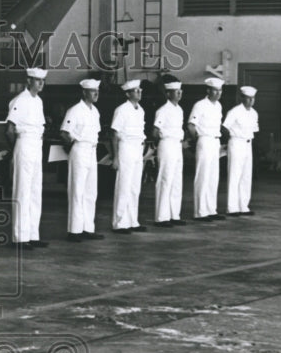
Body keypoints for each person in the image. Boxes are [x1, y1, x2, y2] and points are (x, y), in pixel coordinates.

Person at [5, 67, 49, 249]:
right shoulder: (20, 100)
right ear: (29, 81)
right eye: (37, 80)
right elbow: (9, 130)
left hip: (36, 146)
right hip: (23, 144)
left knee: (35, 191)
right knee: (22, 191)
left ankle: (32, 234)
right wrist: (15, 149)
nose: (41, 83)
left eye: (42, 80)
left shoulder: (38, 101)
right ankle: (20, 237)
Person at [60, 79, 104, 242]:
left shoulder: (95, 111)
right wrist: (73, 148)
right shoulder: (75, 110)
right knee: (77, 190)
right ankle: (74, 230)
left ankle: (87, 228)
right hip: (79, 149)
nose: (96, 93)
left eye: (97, 90)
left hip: (92, 150)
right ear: (84, 92)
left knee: (91, 191)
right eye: (92, 91)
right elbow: (65, 133)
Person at [110, 79, 148, 234]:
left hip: (137, 149)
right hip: (125, 148)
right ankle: (119, 223)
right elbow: (114, 134)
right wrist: (115, 157)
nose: (139, 92)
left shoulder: (141, 110)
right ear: (128, 93)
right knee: (123, 186)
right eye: (135, 90)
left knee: (134, 188)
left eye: (140, 90)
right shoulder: (122, 110)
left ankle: (133, 220)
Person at [188, 77, 226, 222]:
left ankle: (211, 209)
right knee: (202, 177)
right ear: (208, 90)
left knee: (213, 177)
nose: (218, 93)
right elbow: (191, 125)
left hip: (215, 142)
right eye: (215, 90)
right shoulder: (200, 105)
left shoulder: (218, 106)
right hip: (204, 140)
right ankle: (200, 212)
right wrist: (197, 141)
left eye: (220, 90)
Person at [153, 80, 187, 227]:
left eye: (180, 91)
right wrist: (163, 142)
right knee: (165, 180)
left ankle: (174, 214)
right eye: (176, 91)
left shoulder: (179, 109)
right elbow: (155, 131)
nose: (179, 93)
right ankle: (162, 217)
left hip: (177, 145)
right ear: (168, 94)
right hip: (166, 145)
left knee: (176, 181)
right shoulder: (163, 110)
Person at [223, 85, 259, 216]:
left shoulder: (254, 113)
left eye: (253, 98)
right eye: (248, 98)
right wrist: (229, 141)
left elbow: (254, 130)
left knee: (246, 176)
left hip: (247, 144)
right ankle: (232, 208)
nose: (251, 101)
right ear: (242, 98)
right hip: (236, 142)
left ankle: (244, 206)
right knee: (235, 175)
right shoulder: (235, 111)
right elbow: (225, 127)